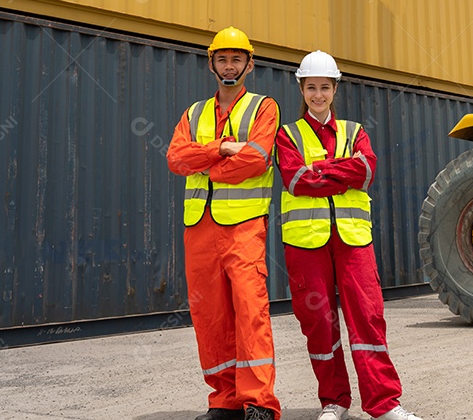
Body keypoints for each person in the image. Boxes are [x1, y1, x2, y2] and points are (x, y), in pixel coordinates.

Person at [274, 50, 425, 420]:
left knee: (368, 318)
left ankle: (384, 404)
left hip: (353, 241)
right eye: (311, 88)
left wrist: (321, 170)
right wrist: (340, 171)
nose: (318, 95)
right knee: (319, 324)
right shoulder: (287, 135)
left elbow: (366, 171)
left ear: (335, 88)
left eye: (325, 87)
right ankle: (334, 402)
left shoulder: (355, 131)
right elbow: (296, 180)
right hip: (305, 244)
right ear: (302, 89)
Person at [167, 27, 281, 420]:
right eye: (222, 59)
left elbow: (257, 157)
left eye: (236, 59)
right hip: (199, 228)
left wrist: (210, 168)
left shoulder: (263, 107)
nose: (229, 66)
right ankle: (224, 401)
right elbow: (175, 158)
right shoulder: (194, 113)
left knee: (250, 311)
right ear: (211, 64)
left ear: (249, 64)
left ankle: (259, 403)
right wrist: (220, 147)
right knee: (209, 315)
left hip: (245, 226)